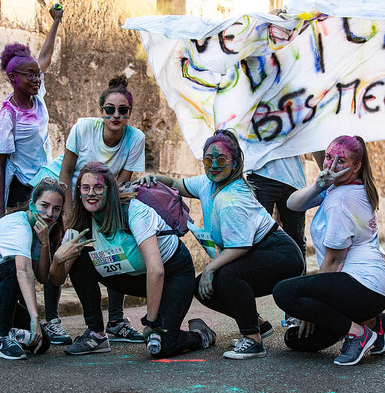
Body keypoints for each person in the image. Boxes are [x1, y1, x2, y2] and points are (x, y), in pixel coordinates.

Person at [137, 129, 305, 359]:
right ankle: (258, 325)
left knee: (225, 276)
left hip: (280, 254)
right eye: (208, 159)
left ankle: (253, 341)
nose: (214, 165)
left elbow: (240, 247)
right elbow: (177, 184)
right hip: (257, 251)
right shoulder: (208, 184)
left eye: (221, 159)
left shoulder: (231, 199)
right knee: (203, 288)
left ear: (234, 162)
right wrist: (153, 178)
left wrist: (210, 268)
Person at [49, 162, 215, 357]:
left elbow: (157, 270)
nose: (91, 193)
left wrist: (151, 323)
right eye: (85, 188)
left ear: (109, 190)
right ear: (79, 191)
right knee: (80, 262)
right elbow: (58, 279)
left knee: (162, 346)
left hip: (173, 274)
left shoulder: (134, 212)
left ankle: (201, 335)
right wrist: (58, 260)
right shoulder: (82, 219)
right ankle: (96, 334)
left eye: (98, 187)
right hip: (136, 275)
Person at [35, 75, 146, 345]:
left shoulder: (136, 138)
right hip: (68, 188)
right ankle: (52, 321)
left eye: (122, 110)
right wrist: (68, 214)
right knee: (62, 249)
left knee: (113, 242)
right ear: (102, 111)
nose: (116, 115)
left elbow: (121, 182)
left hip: (103, 193)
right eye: (110, 109)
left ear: (130, 113)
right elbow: (66, 171)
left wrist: (100, 211)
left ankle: (116, 321)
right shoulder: (84, 128)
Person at [273, 135, 385, 366]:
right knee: (297, 341)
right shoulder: (336, 186)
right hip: (365, 289)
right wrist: (319, 184)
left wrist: (312, 307)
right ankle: (376, 323)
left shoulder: (341, 199)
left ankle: (359, 334)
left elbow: (335, 260)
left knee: (283, 292)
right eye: (329, 157)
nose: (331, 165)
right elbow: (292, 204)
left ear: (357, 166)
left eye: (341, 161)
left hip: (362, 286)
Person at [0, 5, 63, 217]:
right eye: (31, 75)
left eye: (38, 75)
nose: (37, 80)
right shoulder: (8, 115)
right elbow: (0, 166)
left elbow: (45, 57)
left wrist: (55, 21)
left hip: (44, 178)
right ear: (12, 78)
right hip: (23, 187)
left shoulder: (36, 97)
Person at [0, 177, 66, 360]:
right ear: (31, 203)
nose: (49, 213)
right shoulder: (19, 226)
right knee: (13, 267)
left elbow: (43, 277)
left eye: (56, 209)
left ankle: (7, 331)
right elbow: (23, 271)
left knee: (41, 343)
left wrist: (45, 244)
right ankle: (2, 337)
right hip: (8, 274)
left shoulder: (38, 231)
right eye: (44, 205)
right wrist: (35, 319)